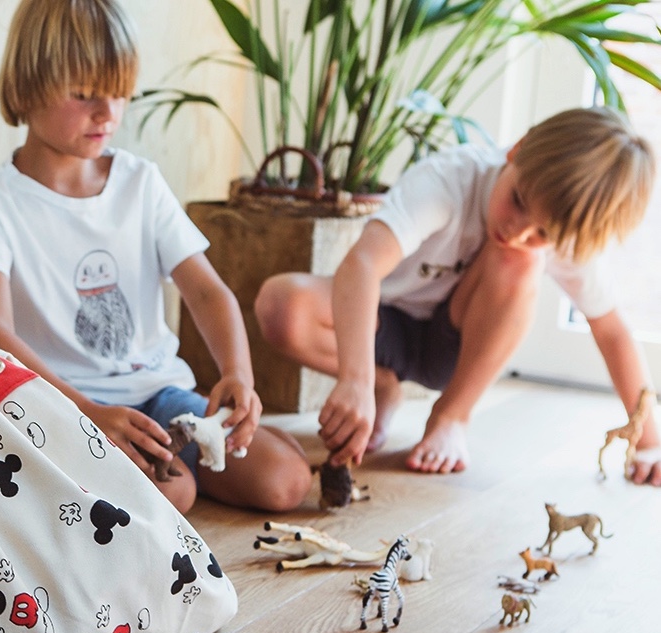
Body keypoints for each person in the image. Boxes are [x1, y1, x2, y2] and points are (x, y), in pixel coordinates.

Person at [0, 0, 311, 513]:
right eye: (84, 93)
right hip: (58, 403)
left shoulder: (141, 183)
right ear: (27, 87)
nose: (108, 113)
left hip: (160, 394)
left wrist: (238, 374)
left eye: (119, 92)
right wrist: (87, 412)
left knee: (286, 482)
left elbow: (206, 291)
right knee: (174, 491)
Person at [253, 106, 661, 485]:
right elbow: (362, 265)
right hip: (379, 321)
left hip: (450, 348)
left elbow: (612, 332)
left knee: (519, 261)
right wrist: (356, 380)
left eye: (543, 234)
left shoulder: (561, 235)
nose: (518, 231)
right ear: (517, 149)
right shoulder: (449, 179)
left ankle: (451, 417)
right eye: (518, 201)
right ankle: (382, 385)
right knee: (282, 304)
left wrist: (650, 442)